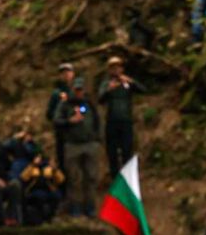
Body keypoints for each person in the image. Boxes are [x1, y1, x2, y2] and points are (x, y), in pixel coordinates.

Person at [54, 79, 102, 216]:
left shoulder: (89, 104)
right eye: (76, 90)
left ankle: (90, 206)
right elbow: (56, 121)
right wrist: (70, 121)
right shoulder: (65, 105)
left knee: (91, 176)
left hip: (90, 144)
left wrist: (97, 138)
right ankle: (76, 206)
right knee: (74, 178)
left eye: (81, 90)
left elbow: (97, 120)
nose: (79, 92)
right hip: (72, 145)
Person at [99, 56, 146, 175]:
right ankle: (114, 177)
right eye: (113, 68)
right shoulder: (106, 83)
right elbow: (100, 99)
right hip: (112, 122)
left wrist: (131, 82)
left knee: (127, 151)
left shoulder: (126, 82)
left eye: (118, 67)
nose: (116, 70)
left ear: (122, 68)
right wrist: (109, 89)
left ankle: (128, 177)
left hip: (126, 121)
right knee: (112, 152)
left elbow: (143, 90)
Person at [46, 63, 75, 176]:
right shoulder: (56, 93)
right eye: (63, 73)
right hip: (62, 132)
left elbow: (85, 107)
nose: (66, 75)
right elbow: (49, 114)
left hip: (76, 132)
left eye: (68, 72)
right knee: (62, 160)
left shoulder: (77, 91)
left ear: (73, 74)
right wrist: (59, 117)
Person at [19, 152, 64, 225]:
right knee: (39, 197)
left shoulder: (49, 168)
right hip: (35, 190)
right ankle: (40, 218)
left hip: (49, 190)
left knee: (56, 196)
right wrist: (33, 165)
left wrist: (55, 169)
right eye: (38, 158)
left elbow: (61, 180)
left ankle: (50, 217)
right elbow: (23, 177)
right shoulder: (31, 167)